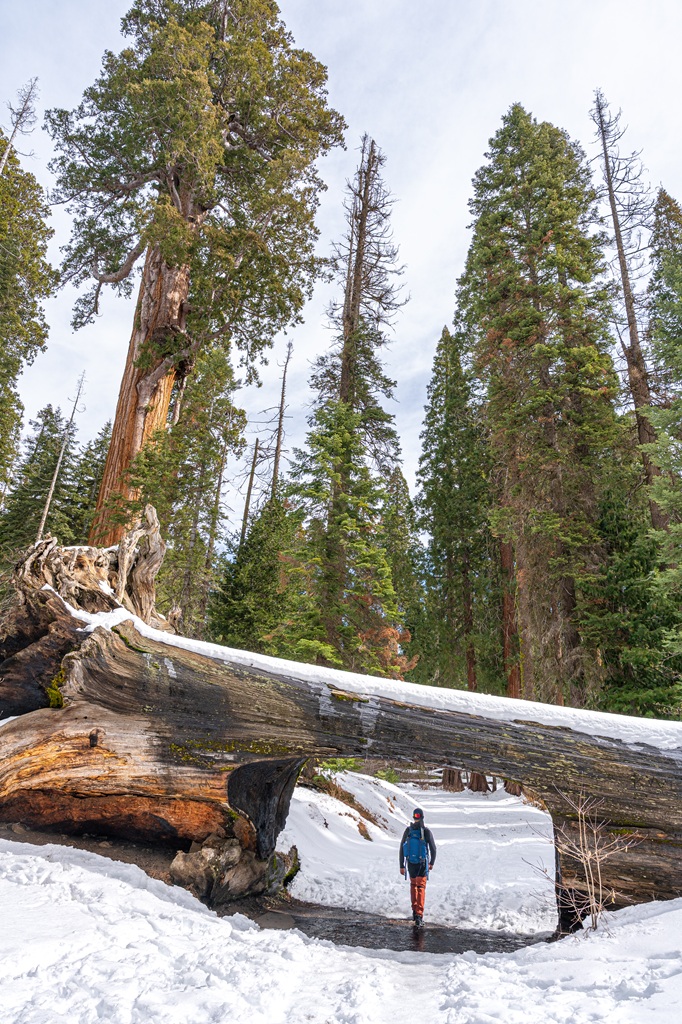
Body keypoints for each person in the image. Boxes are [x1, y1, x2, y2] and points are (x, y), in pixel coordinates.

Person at [399, 807, 436, 927]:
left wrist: (401, 865)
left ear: (414, 817)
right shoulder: (426, 831)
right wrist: (431, 863)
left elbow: (401, 847)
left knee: (413, 885)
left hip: (411, 863)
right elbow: (433, 848)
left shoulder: (408, 830)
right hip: (422, 863)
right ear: (422, 817)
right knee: (421, 887)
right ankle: (419, 915)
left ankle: (414, 911)